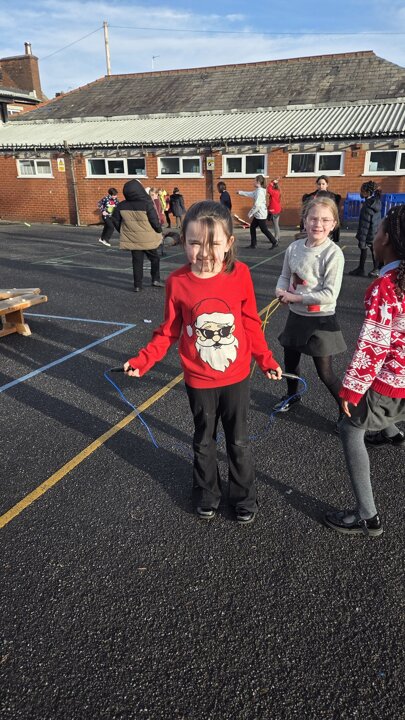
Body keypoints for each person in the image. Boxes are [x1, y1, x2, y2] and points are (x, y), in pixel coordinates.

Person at [122, 201, 282, 523]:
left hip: (236, 377)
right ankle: (207, 493)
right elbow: (169, 330)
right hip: (198, 379)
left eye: (213, 244)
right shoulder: (177, 282)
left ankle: (243, 496)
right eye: (195, 243)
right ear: (183, 241)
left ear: (229, 244)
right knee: (204, 440)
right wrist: (144, 359)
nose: (204, 252)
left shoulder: (240, 274)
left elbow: (251, 322)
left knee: (238, 441)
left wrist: (265, 359)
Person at [324, 204, 405, 537]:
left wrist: (351, 390)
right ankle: (391, 432)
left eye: (378, 230)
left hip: (393, 379)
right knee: (384, 413)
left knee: (349, 428)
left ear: (386, 239)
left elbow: (374, 345)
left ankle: (367, 516)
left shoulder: (387, 286)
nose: (374, 235)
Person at [274, 196, 346, 426]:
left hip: (320, 320)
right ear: (304, 220)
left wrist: (296, 297)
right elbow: (285, 276)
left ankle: (346, 412)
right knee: (290, 362)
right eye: (313, 218)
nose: (318, 224)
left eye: (325, 220)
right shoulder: (294, 248)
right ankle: (292, 395)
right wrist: (280, 290)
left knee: (325, 373)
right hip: (297, 317)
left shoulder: (333, 253)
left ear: (333, 224)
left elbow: (329, 294)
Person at [112, 179, 164, 292]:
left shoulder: (121, 205)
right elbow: (154, 221)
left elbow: (115, 220)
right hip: (148, 238)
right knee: (155, 258)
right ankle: (155, 279)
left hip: (133, 239)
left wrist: (123, 231)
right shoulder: (147, 204)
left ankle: (137, 285)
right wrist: (159, 230)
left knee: (137, 262)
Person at [349, 181, 381, 278]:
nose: (360, 193)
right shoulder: (373, 202)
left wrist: (365, 236)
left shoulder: (369, 205)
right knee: (366, 249)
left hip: (369, 232)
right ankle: (361, 268)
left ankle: (376, 269)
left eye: (362, 191)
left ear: (368, 192)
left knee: (371, 249)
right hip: (371, 231)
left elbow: (368, 222)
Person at [237, 175, 278, 249]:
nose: (253, 182)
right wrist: (240, 192)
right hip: (258, 214)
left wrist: (250, 213)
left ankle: (274, 242)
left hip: (261, 214)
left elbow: (257, 205)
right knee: (252, 227)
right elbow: (250, 194)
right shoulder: (258, 190)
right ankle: (253, 244)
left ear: (258, 182)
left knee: (264, 229)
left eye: (254, 180)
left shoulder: (260, 192)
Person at [300, 176, 341, 244]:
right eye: (319, 184)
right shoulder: (310, 197)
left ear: (327, 185)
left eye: (323, 184)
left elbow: (335, 213)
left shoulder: (333, 197)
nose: (321, 186)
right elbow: (306, 213)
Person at [266, 178, 282, 242]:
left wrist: (271, 183)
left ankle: (276, 238)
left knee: (275, 225)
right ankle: (278, 236)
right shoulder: (278, 191)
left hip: (274, 210)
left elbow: (268, 189)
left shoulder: (274, 192)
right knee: (276, 224)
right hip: (277, 209)